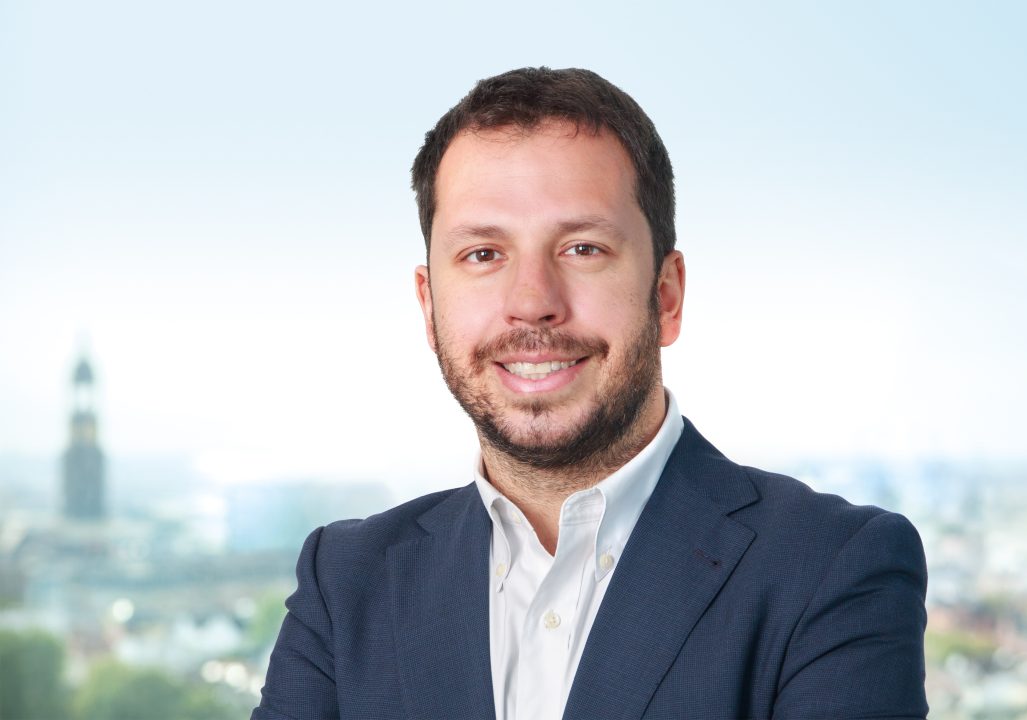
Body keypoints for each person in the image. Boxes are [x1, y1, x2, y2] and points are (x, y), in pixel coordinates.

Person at [253, 67, 928, 720]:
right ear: (429, 308)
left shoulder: (832, 567)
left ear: (666, 295)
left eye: (582, 249)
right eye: (483, 254)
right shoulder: (346, 581)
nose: (531, 303)